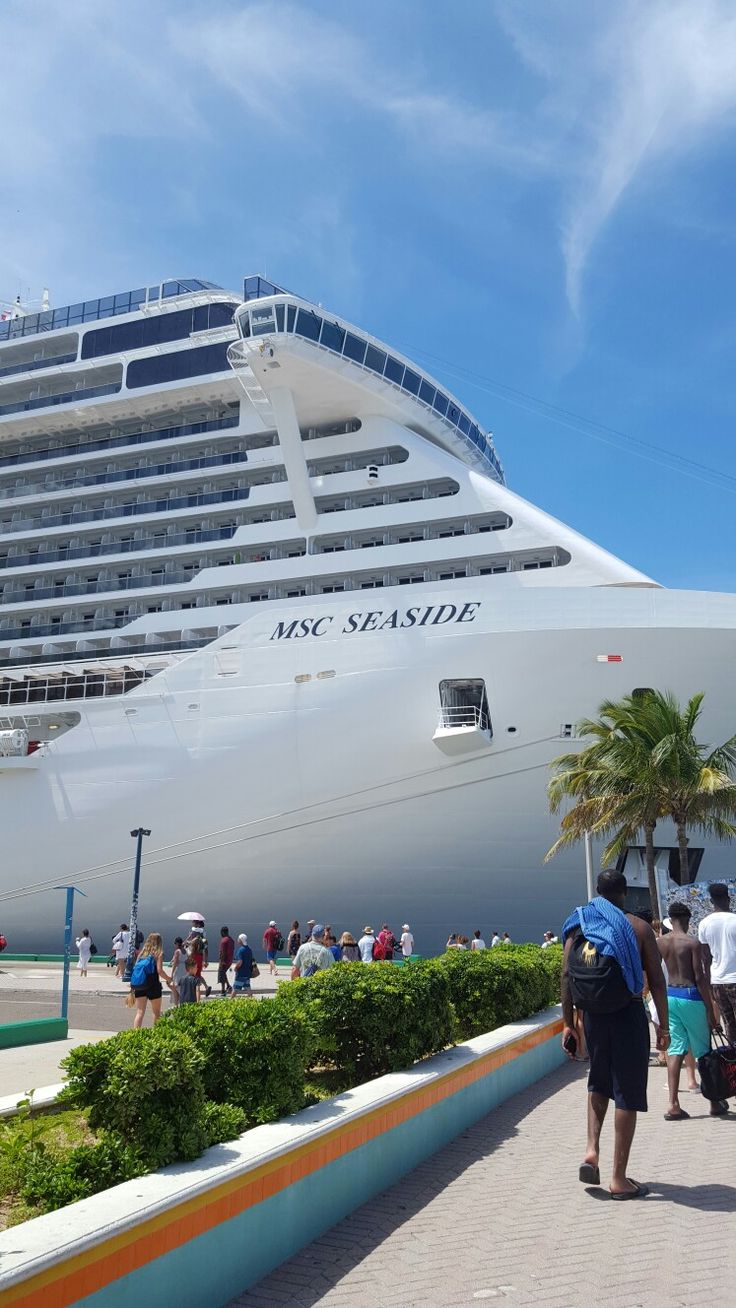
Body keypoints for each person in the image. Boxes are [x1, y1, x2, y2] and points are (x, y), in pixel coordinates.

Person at [561, 869, 668, 1199]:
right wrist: (663, 1026)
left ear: (597, 890)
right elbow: (657, 980)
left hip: (593, 1017)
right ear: (624, 893)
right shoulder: (637, 927)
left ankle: (591, 1150)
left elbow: (566, 976)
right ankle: (619, 1179)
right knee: (627, 1093)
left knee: (599, 1081)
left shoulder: (579, 924)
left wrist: (569, 1023)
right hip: (628, 1015)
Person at [657, 901, 727, 1120]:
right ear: (687, 920)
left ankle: (673, 1104)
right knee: (703, 1051)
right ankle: (714, 1102)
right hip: (691, 996)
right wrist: (710, 1008)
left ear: (670, 920)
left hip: (671, 996)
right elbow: (699, 976)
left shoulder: (661, 942)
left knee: (676, 1048)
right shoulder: (692, 942)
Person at [698, 883, 736, 1045]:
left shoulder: (704, 924)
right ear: (729, 899)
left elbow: (705, 958)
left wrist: (709, 986)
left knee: (729, 1023)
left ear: (711, 901)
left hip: (718, 980)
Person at [129, 932, 172, 1028]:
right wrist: (169, 979)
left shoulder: (141, 954)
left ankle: (136, 1035)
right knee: (156, 1013)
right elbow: (160, 971)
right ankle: (155, 1033)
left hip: (140, 984)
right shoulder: (159, 953)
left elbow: (135, 968)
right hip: (153, 985)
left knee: (140, 1012)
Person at [170, 936, 188, 1006]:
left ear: (177, 943)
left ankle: (176, 1005)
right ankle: (181, 1004)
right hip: (184, 970)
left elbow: (175, 963)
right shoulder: (185, 951)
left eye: (175, 943)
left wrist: (172, 973)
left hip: (178, 970)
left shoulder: (177, 951)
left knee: (175, 988)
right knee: (182, 988)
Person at [218, 926, 235, 996]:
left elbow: (222, 952)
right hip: (230, 960)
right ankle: (228, 986)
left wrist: (221, 962)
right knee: (223, 973)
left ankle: (223, 990)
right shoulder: (231, 940)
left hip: (224, 960)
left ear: (222, 932)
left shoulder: (224, 941)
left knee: (221, 973)